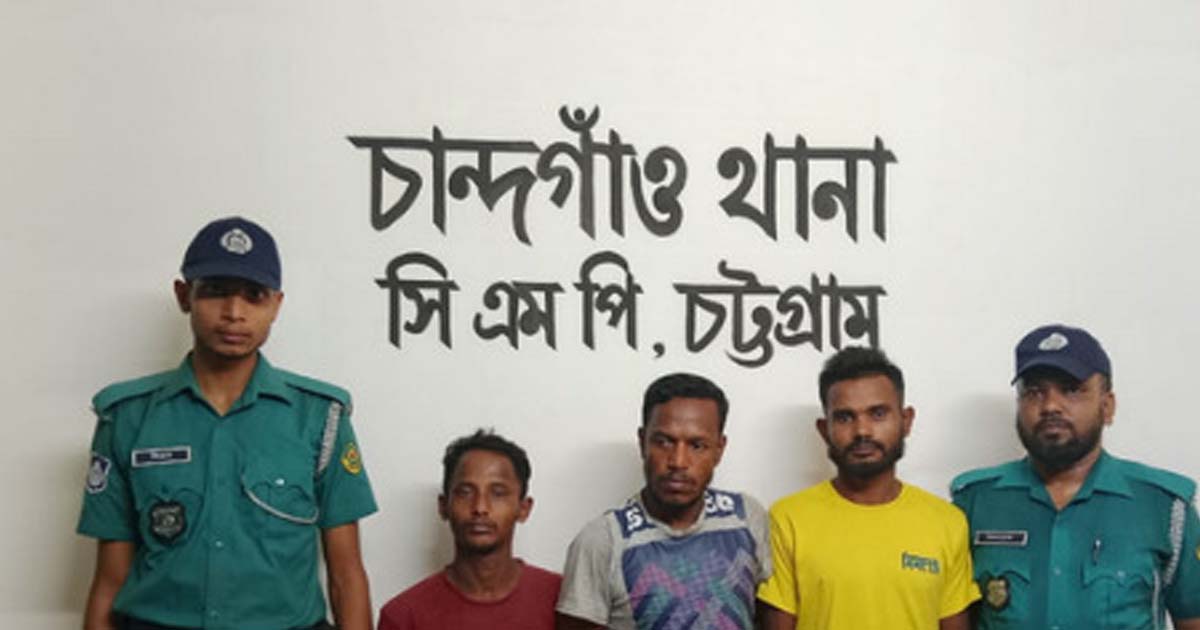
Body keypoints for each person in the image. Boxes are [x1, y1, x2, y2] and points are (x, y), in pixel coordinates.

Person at [77, 216, 377, 630]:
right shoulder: (128, 417)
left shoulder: (319, 417)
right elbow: (110, 580)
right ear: (184, 295)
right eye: (216, 291)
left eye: (254, 296)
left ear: (276, 305)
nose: (234, 313)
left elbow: (347, 575)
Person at [952, 324, 1200, 630]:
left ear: (1107, 407)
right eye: (1034, 392)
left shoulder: (1164, 507)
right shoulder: (974, 501)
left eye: (1071, 389)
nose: (1050, 406)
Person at [758, 347, 979, 630]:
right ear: (824, 430)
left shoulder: (947, 522)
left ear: (906, 421)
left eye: (878, 414)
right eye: (845, 417)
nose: (862, 430)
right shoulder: (788, 519)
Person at [555, 372, 771, 630]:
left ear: (719, 449)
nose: (678, 461)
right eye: (664, 442)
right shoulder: (603, 540)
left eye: (697, 445)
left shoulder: (746, 516)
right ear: (642, 442)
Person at [377, 429, 561, 630]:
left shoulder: (564, 602)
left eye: (498, 493)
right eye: (465, 493)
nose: (480, 508)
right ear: (443, 506)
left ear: (524, 508)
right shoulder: (403, 617)